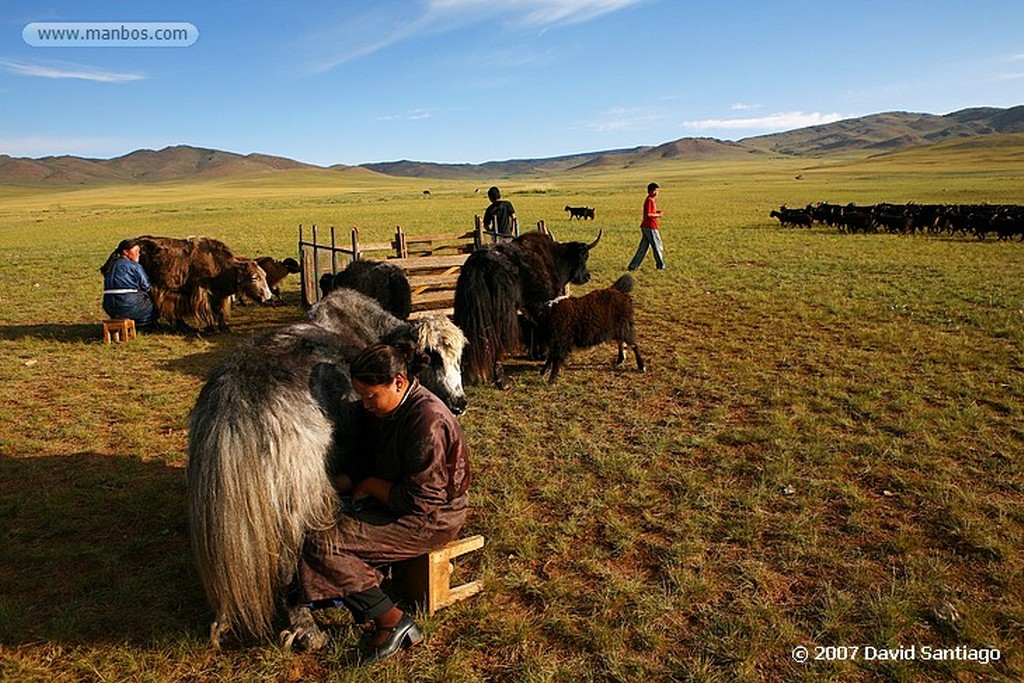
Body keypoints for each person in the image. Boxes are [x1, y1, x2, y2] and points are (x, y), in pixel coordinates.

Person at [295, 342, 471, 664]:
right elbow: (368, 463)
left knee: (324, 545)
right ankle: (364, 596)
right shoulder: (389, 409)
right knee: (318, 524)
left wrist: (371, 486)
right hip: (403, 503)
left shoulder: (426, 421)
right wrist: (326, 491)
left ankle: (392, 621)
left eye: (370, 395)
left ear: (399, 382)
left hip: (434, 517)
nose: (365, 404)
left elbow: (423, 500)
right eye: (361, 396)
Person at [99, 238, 159, 327]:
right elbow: (146, 286)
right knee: (153, 307)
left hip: (109, 305)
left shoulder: (109, 265)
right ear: (126, 252)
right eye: (136, 251)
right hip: (128, 304)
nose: (139, 254)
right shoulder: (134, 266)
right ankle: (142, 324)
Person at [627, 182, 666, 271]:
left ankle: (633, 266)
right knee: (657, 246)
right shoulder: (649, 200)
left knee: (643, 248)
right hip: (650, 226)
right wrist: (658, 215)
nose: (657, 193)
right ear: (651, 191)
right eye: (656, 191)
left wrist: (656, 212)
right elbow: (649, 214)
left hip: (646, 226)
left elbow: (650, 212)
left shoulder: (650, 200)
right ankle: (661, 265)